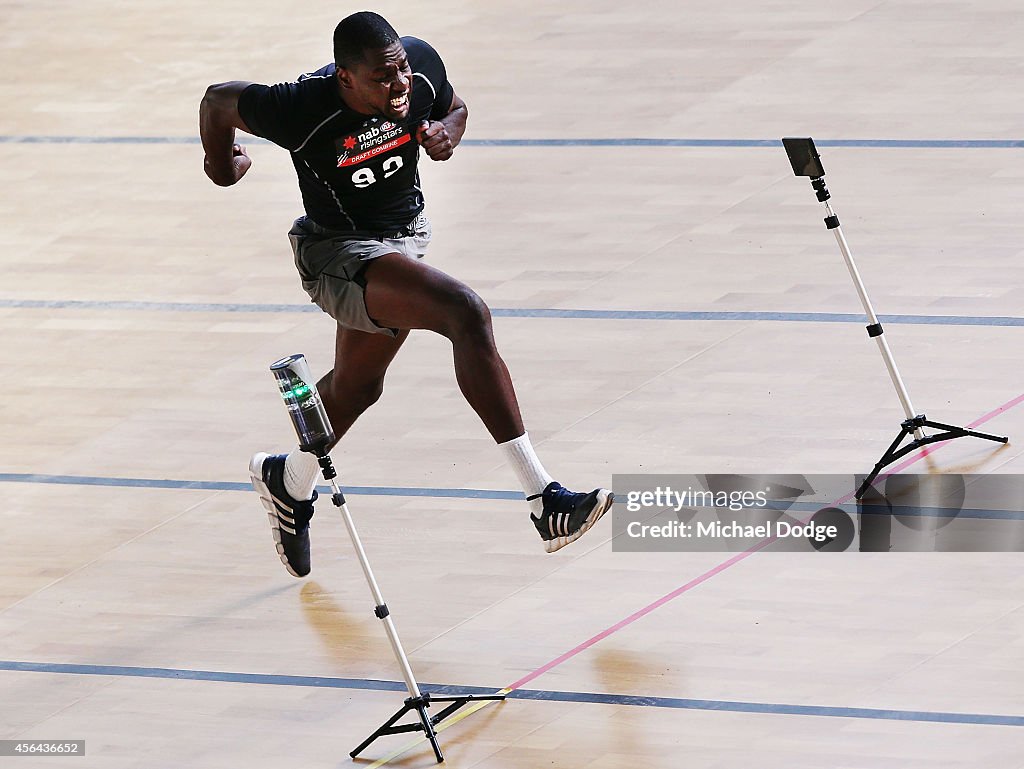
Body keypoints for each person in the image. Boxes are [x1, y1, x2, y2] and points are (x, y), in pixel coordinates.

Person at [199, 11, 612, 577]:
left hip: (403, 243)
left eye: (400, 72)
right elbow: (217, 100)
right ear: (345, 78)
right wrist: (222, 166)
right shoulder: (299, 107)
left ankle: (287, 480)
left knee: (357, 388)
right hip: (338, 255)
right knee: (465, 313)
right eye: (381, 79)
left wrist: (450, 130)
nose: (398, 88)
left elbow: (453, 104)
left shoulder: (416, 67)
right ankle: (545, 502)